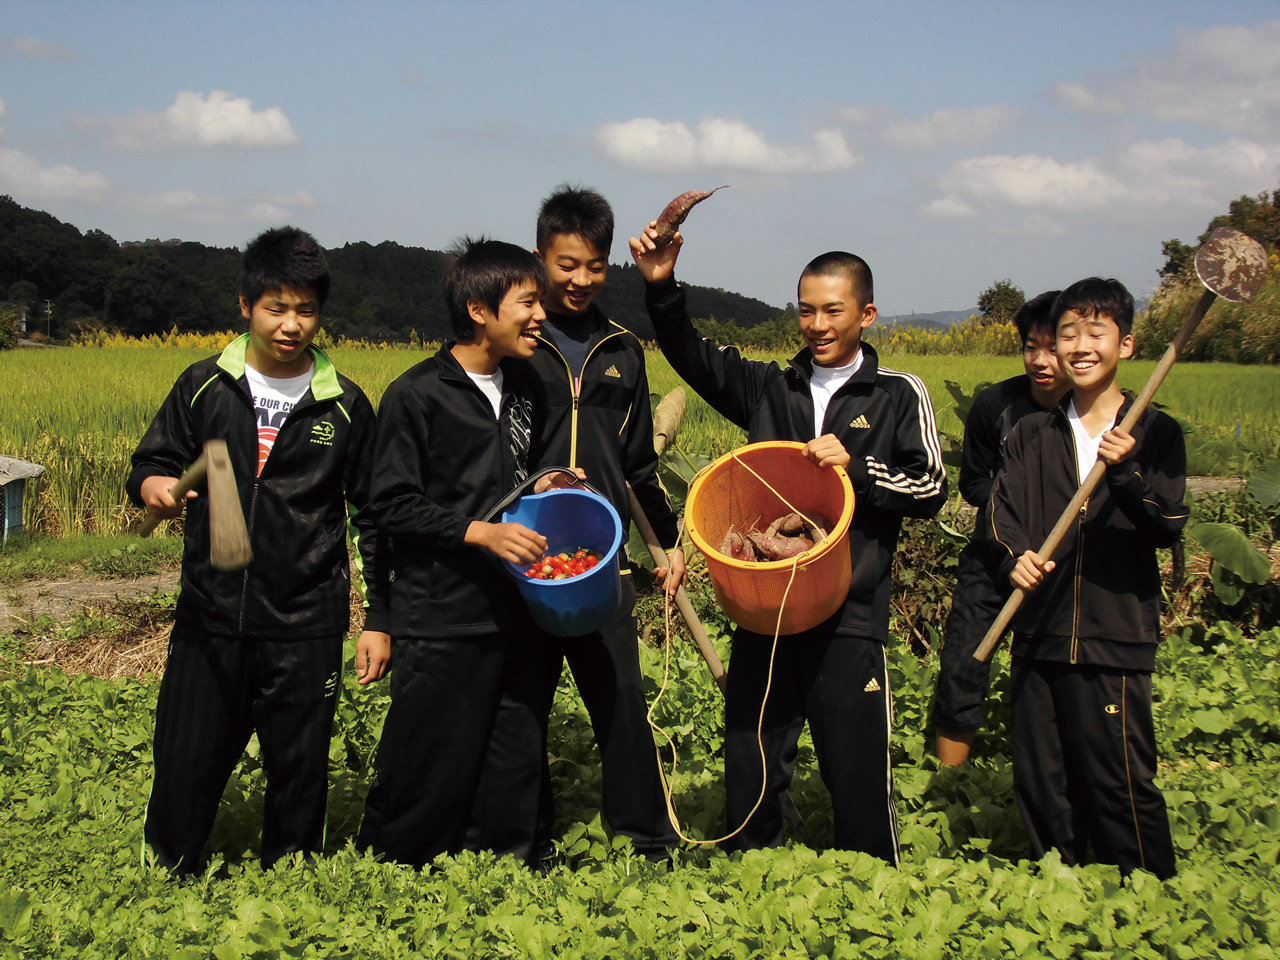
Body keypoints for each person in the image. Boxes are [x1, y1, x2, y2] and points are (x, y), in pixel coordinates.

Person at [630, 224, 947, 861]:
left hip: (850, 611)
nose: (818, 324)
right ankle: (752, 865)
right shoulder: (771, 387)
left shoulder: (895, 394)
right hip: (766, 607)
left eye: (833, 310)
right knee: (751, 749)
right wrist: (661, 286)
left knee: (855, 757)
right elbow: (690, 356)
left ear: (867, 313)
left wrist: (855, 468)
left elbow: (930, 487)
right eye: (806, 310)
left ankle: (869, 873)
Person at [127, 226, 390, 875]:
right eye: (277, 307)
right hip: (209, 613)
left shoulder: (346, 405)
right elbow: (151, 461)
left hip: (305, 621)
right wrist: (154, 485)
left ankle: (290, 878)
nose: (291, 324)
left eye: (305, 309)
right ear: (246, 306)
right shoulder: (203, 386)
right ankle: (166, 868)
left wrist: (380, 618)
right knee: (187, 753)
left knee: (298, 766)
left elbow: (375, 518)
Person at [470, 186, 684, 862]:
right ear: (540, 257)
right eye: (566, 265)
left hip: (601, 559)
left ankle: (646, 838)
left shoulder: (623, 349)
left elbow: (638, 464)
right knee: (519, 706)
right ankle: (520, 845)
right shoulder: (516, 344)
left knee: (621, 702)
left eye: (593, 266)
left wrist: (668, 544)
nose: (580, 280)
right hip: (522, 553)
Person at [356, 238, 571, 868]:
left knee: (515, 747)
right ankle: (398, 869)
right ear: (480, 309)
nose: (541, 316)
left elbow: (510, 479)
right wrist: (480, 533)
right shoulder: (417, 394)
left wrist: (546, 483)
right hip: (442, 612)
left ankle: (510, 865)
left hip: (519, 607)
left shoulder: (527, 385)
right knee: (430, 757)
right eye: (528, 303)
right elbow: (388, 504)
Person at [990, 277, 1185, 879]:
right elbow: (1002, 519)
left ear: (1124, 345)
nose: (1079, 346)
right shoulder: (1031, 434)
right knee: (1042, 777)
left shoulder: (1155, 433)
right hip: (1040, 632)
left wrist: (1125, 474)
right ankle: (1060, 889)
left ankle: (1150, 892)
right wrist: (1013, 558)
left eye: (1095, 332)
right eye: (1066, 333)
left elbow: (1166, 525)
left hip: (1112, 634)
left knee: (1118, 776)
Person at [933, 291, 1070, 765]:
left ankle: (1045, 768)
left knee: (1049, 672)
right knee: (963, 666)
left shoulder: (1087, 414)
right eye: (1031, 346)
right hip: (993, 557)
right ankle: (948, 781)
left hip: (1061, 562)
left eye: (1052, 347)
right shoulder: (996, 404)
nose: (1040, 359)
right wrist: (1014, 514)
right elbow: (973, 482)